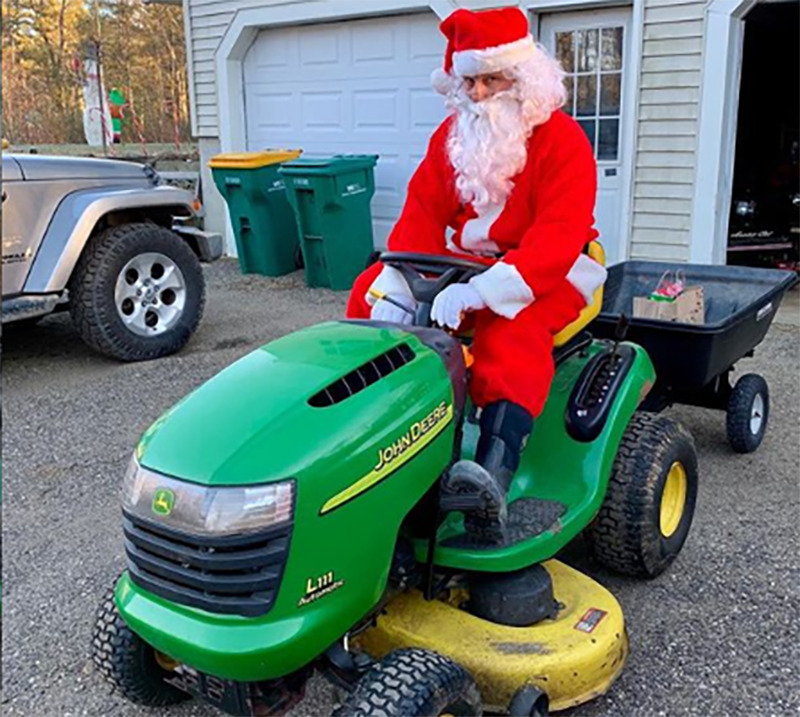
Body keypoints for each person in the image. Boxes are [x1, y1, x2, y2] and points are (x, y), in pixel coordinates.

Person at [346, 6, 607, 540]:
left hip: (551, 268)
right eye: (472, 80)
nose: (482, 93)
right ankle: (371, 433)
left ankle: (491, 473)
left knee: (511, 329)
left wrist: (485, 292)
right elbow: (420, 213)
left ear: (524, 78)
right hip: (465, 267)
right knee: (368, 296)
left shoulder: (564, 142)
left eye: (494, 78)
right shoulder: (453, 137)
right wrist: (401, 283)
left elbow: (557, 238)